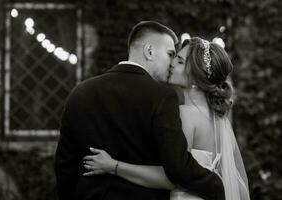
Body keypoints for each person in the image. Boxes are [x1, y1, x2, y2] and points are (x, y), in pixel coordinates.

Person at [55, 21, 224, 200]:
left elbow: (65, 165)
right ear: (149, 51)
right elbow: (177, 167)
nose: (172, 63)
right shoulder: (162, 96)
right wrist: (214, 183)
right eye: (170, 54)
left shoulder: (81, 91)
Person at [82, 37, 250, 200]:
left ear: (196, 77)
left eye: (180, 61)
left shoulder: (185, 115)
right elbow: (238, 182)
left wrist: (113, 166)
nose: (171, 64)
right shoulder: (221, 121)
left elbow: (171, 178)